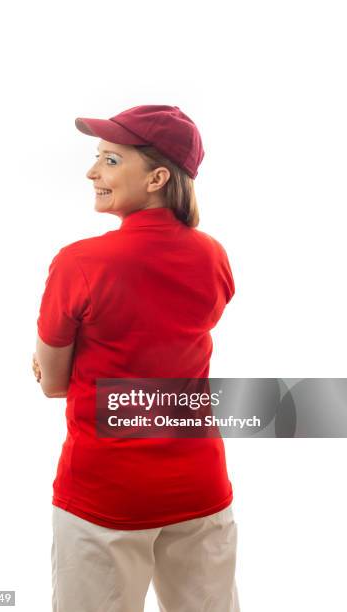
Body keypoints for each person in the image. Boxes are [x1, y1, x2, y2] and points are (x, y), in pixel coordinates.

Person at [33, 105, 240, 612]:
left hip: (105, 496)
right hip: (200, 488)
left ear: (157, 177)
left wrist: (62, 364)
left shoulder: (80, 264)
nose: (92, 172)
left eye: (109, 159)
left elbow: (53, 382)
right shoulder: (212, 255)